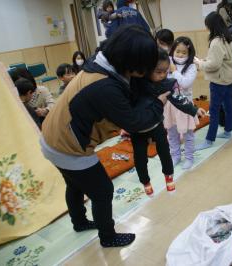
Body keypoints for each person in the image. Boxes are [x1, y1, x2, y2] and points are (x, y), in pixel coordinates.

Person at [40, 25, 170, 248]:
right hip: (68, 146)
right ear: (131, 61)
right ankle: (108, 237)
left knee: (75, 184)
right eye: (146, 65)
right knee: (102, 190)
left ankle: (79, 222)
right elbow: (134, 123)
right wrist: (158, 104)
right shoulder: (104, 86)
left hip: (52, 136)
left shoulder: (100, 63)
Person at [130, 48, 206, 196]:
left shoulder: (167, 83)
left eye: (165, 71)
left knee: (165, 152)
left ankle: (169, 176)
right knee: (140, 157)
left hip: (156, 123)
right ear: (146, 69)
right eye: (158, 72)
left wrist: (194, 109)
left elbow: (178, 99)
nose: (163, 75)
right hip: (137, 128)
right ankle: (145, 182)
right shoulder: (135, 82)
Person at [193, 12, 232, 150]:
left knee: (214, 110)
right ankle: (228, 131)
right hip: (228, 78)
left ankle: (209, 140)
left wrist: (199, 63)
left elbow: (214, 65)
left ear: (211, 25)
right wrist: (205, 61)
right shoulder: (228, 37)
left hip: (219, 81)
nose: (206, 28)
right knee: (228, 106)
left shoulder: (216, 41)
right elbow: (222, 60)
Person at [165, 36, 198, 169]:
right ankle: (176, 156)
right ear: (173, 50)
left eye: (184, 52)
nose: (180, 54)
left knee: (188, 134)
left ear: (189, 53)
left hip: (185, 106)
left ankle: (189, 157)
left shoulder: (191, 66)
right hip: (169, 105)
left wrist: (174, 71)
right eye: (178, 51)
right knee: (172, 134)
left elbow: (184, 84)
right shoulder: (167, 62)